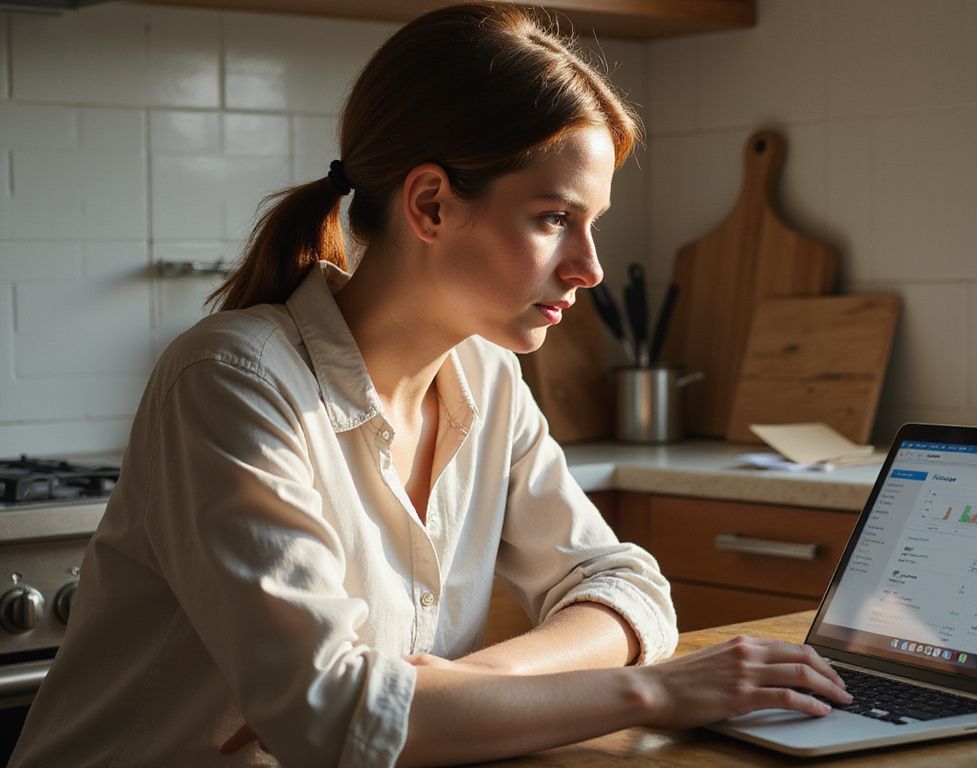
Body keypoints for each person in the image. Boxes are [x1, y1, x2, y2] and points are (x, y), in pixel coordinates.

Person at [9, 3, 851, 766]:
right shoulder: (231, 380)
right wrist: (663, 691)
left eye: (591, 224)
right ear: (431, 205)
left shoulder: (486, 375)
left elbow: (625, 587)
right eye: (555, 219)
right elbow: (337, 722)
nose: (589, 267)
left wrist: (462, 685)